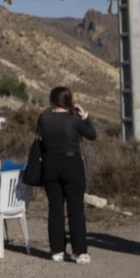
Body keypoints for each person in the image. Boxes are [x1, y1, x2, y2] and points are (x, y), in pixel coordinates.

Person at [36, 86, 98, 263]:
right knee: (76, 210)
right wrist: (84, 116)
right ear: (69, 101)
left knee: (55, 209)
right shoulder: (74, 120)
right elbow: (92, 135)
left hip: (50, 165)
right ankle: (79, 252)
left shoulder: (44, 119)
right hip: (72, 165)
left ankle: (57, 250)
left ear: (52, 101)